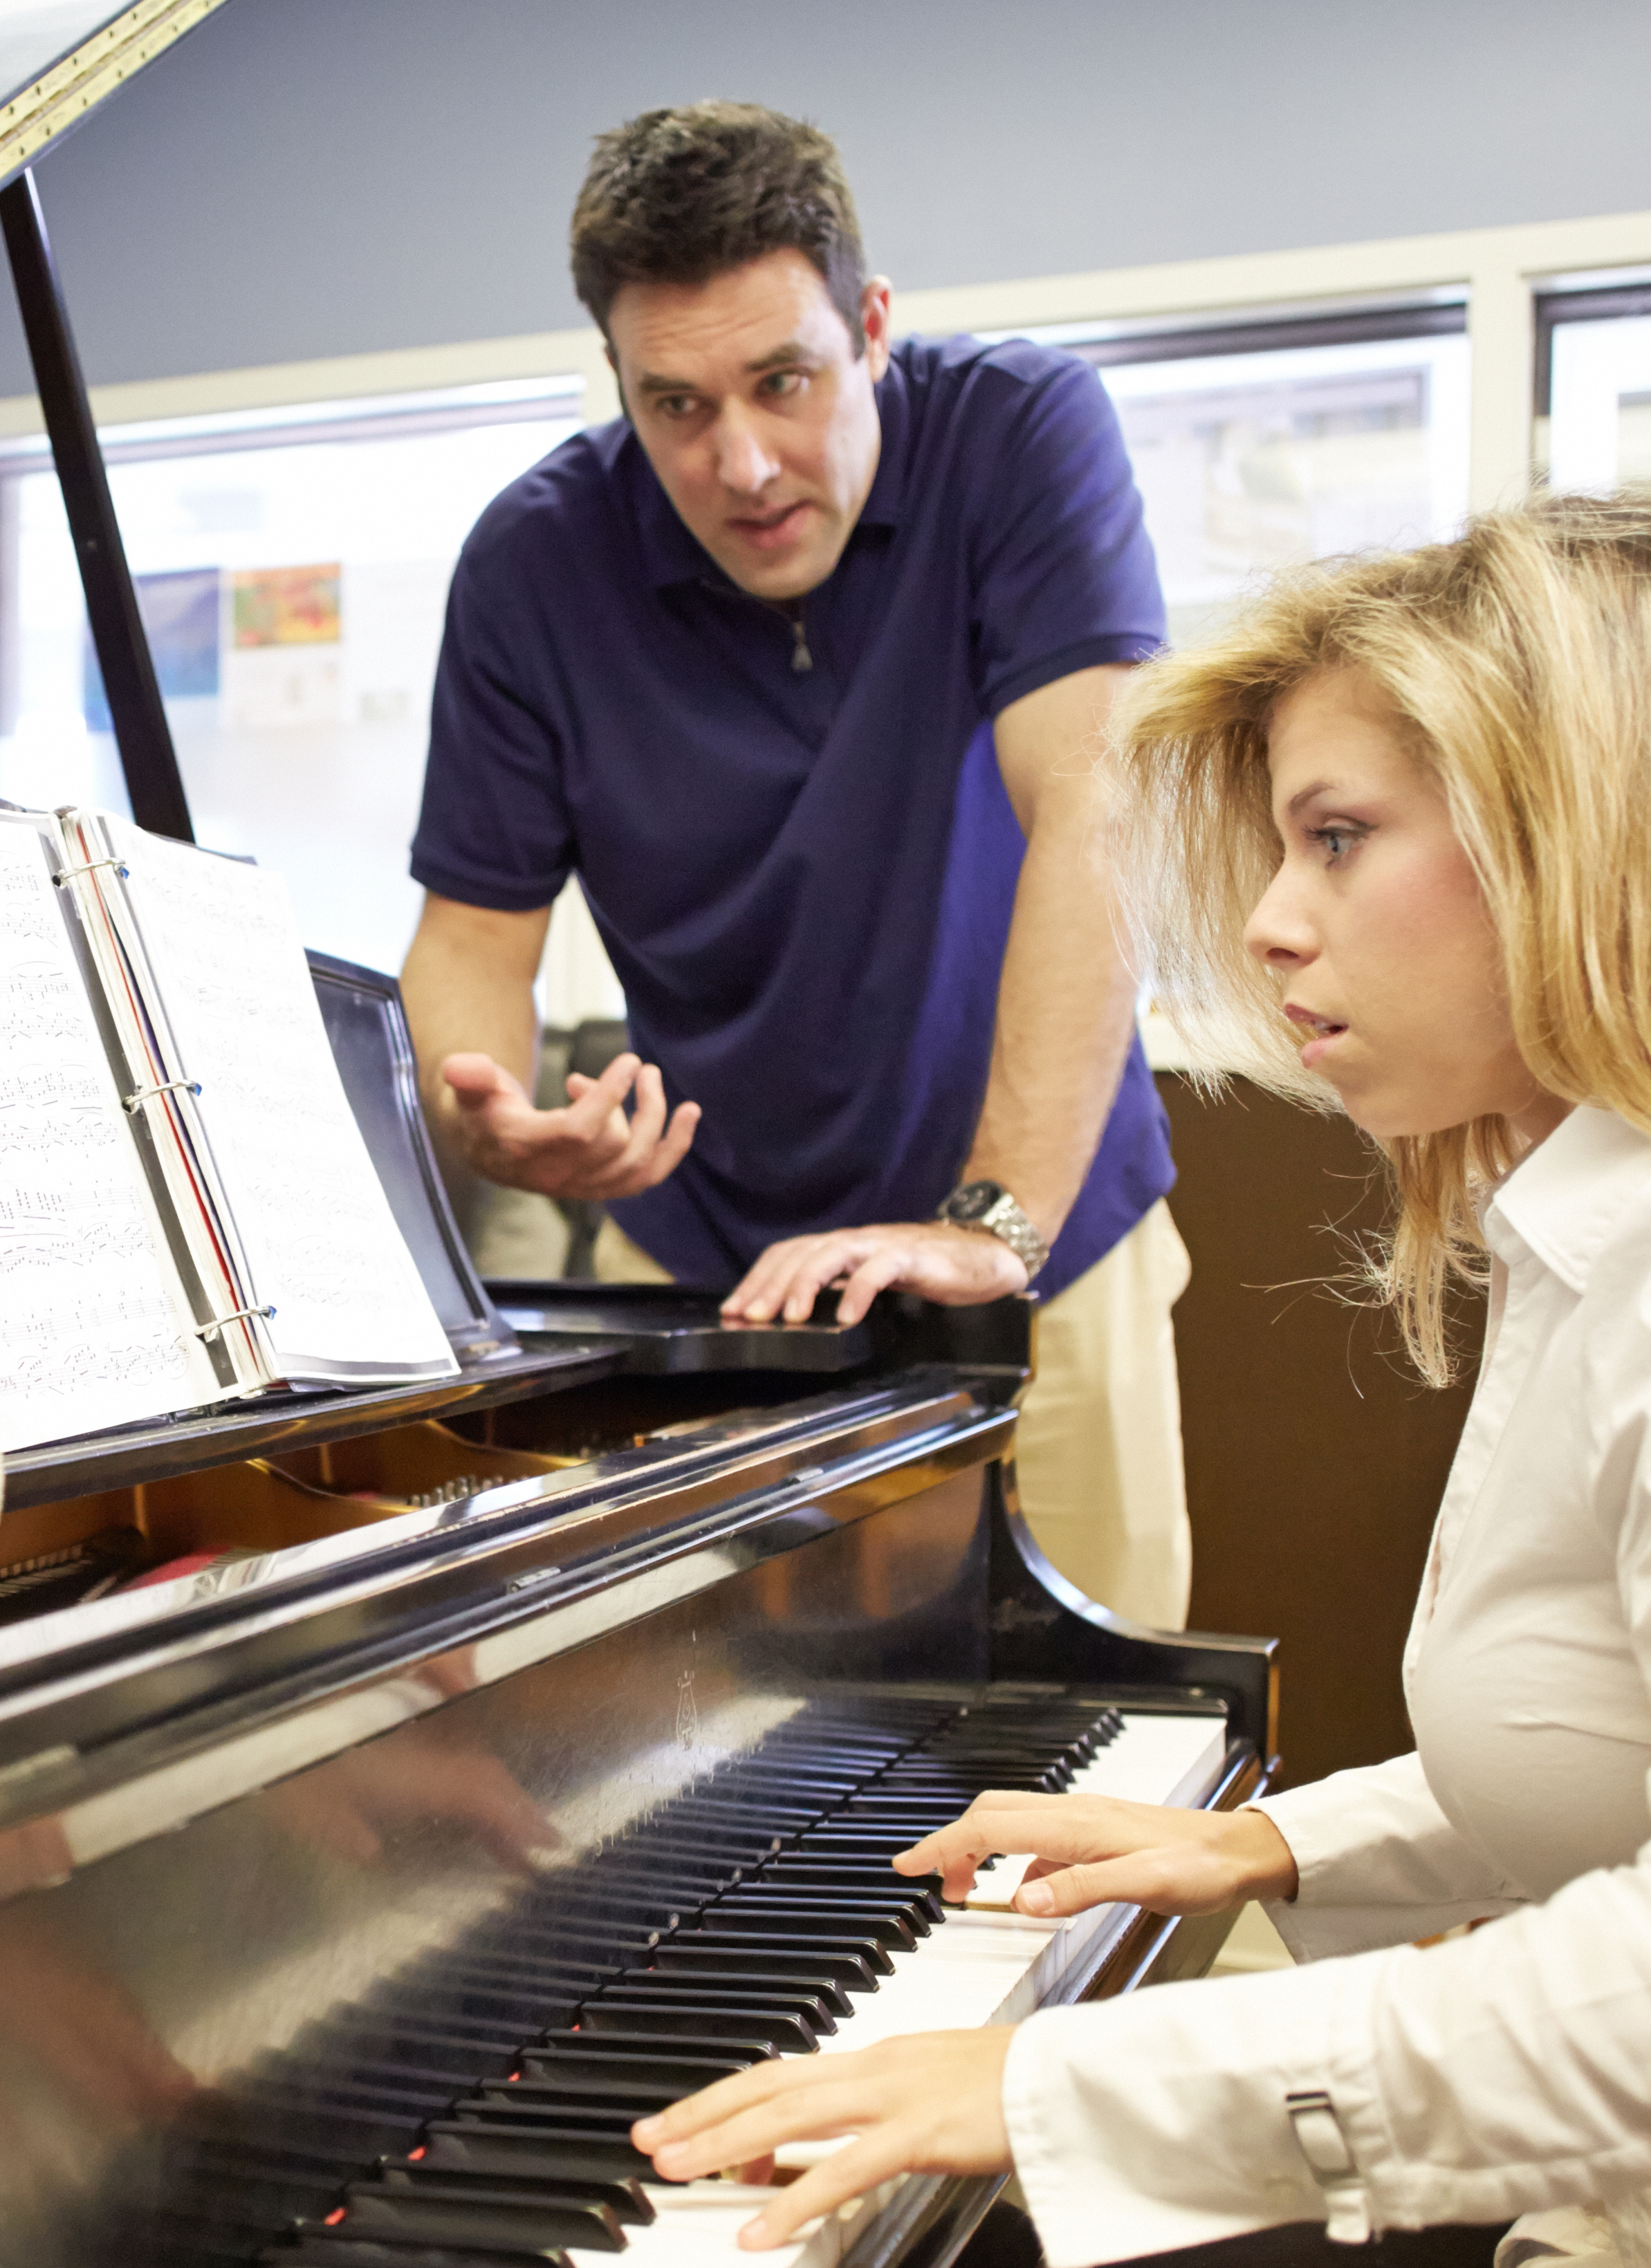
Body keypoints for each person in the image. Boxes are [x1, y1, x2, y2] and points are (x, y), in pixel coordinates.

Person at [625, 487, 1651, 2267]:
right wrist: (1273, 1848)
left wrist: (1049, 2086)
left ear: (1586, 839)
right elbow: (1650, 1730)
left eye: (1336, 836)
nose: (1265, 922)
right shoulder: (1635, 1204)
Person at [399, 103, 1191, 1628]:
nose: (743, 462)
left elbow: (1097, 811)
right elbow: (468, 942)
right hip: (718, 1267)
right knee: (718, 1783)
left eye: (783, 381)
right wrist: (492, 1115)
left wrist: (993, 1223)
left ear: (872, 328)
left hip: (1046, 1231)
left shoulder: (1019, 437)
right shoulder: (531, 564)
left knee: (1104, 1766)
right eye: (675, 406)